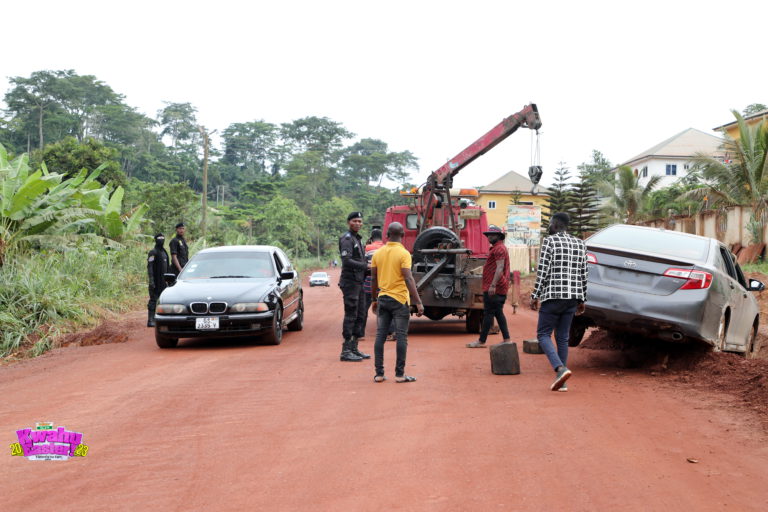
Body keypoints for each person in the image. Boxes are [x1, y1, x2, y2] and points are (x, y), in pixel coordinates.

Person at [530, 212, 588, 392]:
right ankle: (562, 381)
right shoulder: (580, 244)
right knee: (562, 337)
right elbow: (584, 274)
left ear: (555, 225)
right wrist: (582, 299)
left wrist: (535, 294)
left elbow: (543, 270)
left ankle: (560, 368)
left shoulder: (550, 242)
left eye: (550, 224)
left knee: (543, 334)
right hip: (572, 298)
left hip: (553, 296)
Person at [370, 222, 424, 383]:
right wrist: (418, 302)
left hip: (383, 298)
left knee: (380, 336)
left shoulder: (377, 254)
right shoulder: (404, 254)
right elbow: (408, 277)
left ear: (387, 235)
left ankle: (379, 374)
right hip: (400, 300)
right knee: (401, 337)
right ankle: (400, 375)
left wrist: (374, 299)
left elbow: (373, 278)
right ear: (403, 235)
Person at [466, 225, 512, 348]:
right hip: (496, 287)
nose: (489, 237)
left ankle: (481, 341)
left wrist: (492, 285)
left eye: (492, 235)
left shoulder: (499, 249)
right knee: (497, 313)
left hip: (495, 288)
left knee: (488, 314)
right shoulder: (497, 248)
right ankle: (507, 339)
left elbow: (500, 267)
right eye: (488, 235)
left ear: (499, 236)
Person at [338, 212, 371, 362]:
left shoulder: (357, 239)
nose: (358, 223)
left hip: (359, 282)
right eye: (354, 221)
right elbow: (347, 261)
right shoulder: (347, 239)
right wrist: (365, 266)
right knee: (351, 314)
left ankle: (354, 347)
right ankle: (346, 351)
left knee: (361, 314)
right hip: (350, 282)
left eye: (360, 221)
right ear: (348, 222)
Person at [360, 228, 385, 339]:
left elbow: (363, 264)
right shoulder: (386, 248)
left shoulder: (368, 248)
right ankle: (385, 333)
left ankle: (360, 333)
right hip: (384, 283)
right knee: (384, 309)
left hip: (369, 282)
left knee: (364, 309)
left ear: (371, 238)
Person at [147, 233, 170, 327]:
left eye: (162, 238)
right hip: (156, 281)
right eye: (159, 238)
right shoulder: (153, 252)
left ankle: (163, 319)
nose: (161, 240)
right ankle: (150, 320)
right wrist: (151, 280)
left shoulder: (164, 252)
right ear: (155, 240)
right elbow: (150, 267)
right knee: (153, 300)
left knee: (164, 300)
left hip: (164, 282)